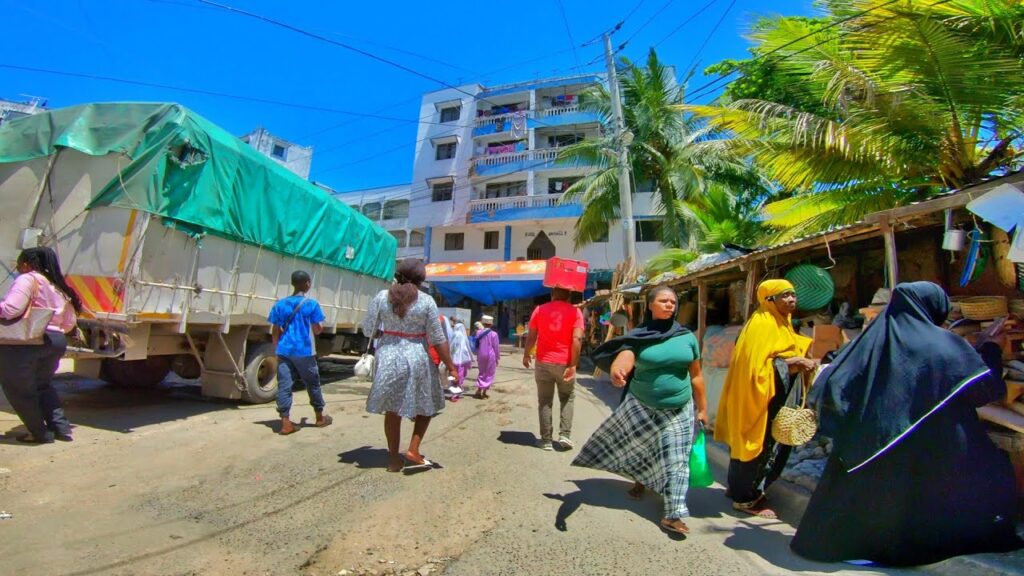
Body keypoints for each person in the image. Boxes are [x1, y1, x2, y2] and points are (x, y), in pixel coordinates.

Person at [791, 282, 1021, 565]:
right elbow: (986, 390)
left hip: (869, 447)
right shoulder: (942, 344)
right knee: (990, 468)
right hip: (933, 446)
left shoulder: (870, 340)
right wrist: (990, 350)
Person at [573, 286, 707, 536]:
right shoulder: (639, 335)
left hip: (679, 407)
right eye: (664, 301)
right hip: (642, 404)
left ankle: (673, 514)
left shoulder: (687, 336)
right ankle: (641, 480)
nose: (670, 305)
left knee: (677, 460)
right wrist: (617, 370)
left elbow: (697, 376)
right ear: (650, 306)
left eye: (673, 301)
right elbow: (625, 356)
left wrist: (703, 409)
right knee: (642, 447)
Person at [714, 279, 816, 518]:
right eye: (784, 295)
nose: (792, 299)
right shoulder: (762, 326)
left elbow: (781, 352)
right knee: (759, 444)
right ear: (769, 300)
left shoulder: (781, 324)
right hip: (760, 398)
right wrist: (794, 362)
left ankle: (738, 489)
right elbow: (757, 367)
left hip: (772, 396)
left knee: (756, 444)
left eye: (793, 294)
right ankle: (747, 499)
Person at [363, 258, 457, 472]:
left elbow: (369, 329)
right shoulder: (426, 301)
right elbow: (437, 338)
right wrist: (450, 365)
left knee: (392, 410)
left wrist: (385, 334)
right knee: (428, 403)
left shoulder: (381, 297)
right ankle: (413, 449)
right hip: (417, 356)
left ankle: (393, 460)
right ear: (420, 279)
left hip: (387, 357)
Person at [0, 247, 81, 443]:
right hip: (55, 341)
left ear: (26, 264)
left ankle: (39, 433)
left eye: (18, 264)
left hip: (28, 341)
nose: (18, 269)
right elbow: (69, 323)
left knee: (18, 389)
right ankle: (61, 429)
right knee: (42, 386)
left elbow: (11, 309)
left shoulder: (28, 279)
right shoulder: (58, 285)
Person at [269, 270, 332, 436]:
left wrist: (277, 347)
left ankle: (285, 423)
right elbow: (318, 330)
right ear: (307, 284)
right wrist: (318, 326)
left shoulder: (280, 304)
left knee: (284, 386)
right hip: (304, 351)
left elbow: (275, 330)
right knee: (313, 384)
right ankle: (319, 417)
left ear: (292, 283)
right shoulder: (311, 304)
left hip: (284, 350)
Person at [523, 287, 584, 451]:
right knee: (567, 397)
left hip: (543, 362)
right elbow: (577, 339)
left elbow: (531, 335)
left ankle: (546, 440)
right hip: (564, 363)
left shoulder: (539, 310)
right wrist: (573, 364)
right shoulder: (576, 312)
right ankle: (565, 435)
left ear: (552, 295)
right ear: (569, 296)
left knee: (544, 401)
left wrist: (526, 355)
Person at [473, 315, 500, 399]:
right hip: (490, 355)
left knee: (482, 372)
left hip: (481, 354)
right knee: (489, 373)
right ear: (491, 324)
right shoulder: (494, 334)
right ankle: (484, 392)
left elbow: (476, 345)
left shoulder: (478, 332)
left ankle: (479, 391)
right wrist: (497, 358)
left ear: (483, 323)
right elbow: (496, 347)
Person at [447, 317, 473, 396]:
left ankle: (455, 390)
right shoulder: (462, 335)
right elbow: (467, 347)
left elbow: (452, 346)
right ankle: (457, 390)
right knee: (461, 374)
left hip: (455, 358)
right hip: (463, 359)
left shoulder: (455, 334)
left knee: (454, 374)